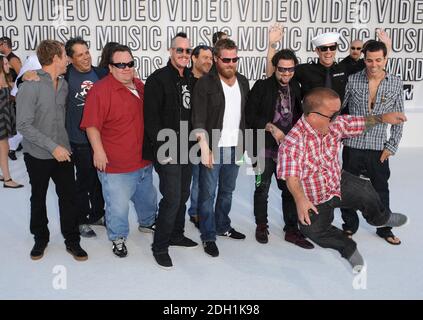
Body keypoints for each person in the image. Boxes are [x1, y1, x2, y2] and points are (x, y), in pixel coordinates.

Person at [277, 87, 408, 271]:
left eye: (338, 112)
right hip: (314, 199)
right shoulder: (293, 142)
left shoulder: (334, 124)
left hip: (337, 182)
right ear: (313, 116)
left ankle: (381, 218)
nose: (337, 117)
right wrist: (300, 199)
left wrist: (384, 118)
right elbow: (291, 176)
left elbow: (358, 122)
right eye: (333, 114)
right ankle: (348, 248)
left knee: (366, 190)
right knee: (311, 230)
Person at [81, 45, 157, 258]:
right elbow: (91, 126)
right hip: (116, 165)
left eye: (130, 64)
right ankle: (118, 237)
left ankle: (147, 223)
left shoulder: (139, 86)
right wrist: (98, 151)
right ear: (110, 67)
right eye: (120, 64)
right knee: (118, 207)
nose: (126, 68)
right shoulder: (100, 90)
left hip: (143, 161)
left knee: (147, 199)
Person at [16, 40, 88, 261]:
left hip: (63, 151)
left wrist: (60, 147)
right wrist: (52, 147)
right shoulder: (31, 85)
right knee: (38, 197)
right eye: (65, 56)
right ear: (56, 58)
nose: (68, 59)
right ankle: (40, 238)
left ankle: (72, 241)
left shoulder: (64, 84)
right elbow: (23, 125)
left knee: (69, 197)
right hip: (38, 153)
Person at [245, 49, 313, 249]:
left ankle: (291, 230)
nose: (286, 74)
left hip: (288, 151)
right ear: (275, 67)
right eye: (282, 69)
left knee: (290, 191)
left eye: (290, 70)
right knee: (262, 188)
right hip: (263, 148)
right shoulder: (261, 86)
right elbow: (249, 116)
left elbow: (300, 116)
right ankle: (261, 225)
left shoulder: (296, 86)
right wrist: (271, 127)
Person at [341, 41, 404, 245]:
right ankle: (349, 225)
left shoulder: (395, 82)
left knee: (380, 189)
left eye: (378, 60)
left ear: (385, 59)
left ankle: (384, 227)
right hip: (353, 145)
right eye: (369, 60)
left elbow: (399, 118)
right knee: (348, 188)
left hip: (379, 148)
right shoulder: (352, 80)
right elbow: (340, 109)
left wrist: (391, 146)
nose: (373, 64)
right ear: (364, 59)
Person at [144, 32, 198, 269]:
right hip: (167, 148)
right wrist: (161, 148)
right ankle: (160, 246)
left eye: (187, 51)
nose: (184, 55)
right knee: (172, 197)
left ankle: (177, 233)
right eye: (180, 50)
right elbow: (151, 118)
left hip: (188, 148)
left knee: (183, 194)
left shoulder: (192, 78)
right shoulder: (157, 79)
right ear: (170, 51)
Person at [192, 38, 250, 257]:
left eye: (235, 59)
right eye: (226, 59)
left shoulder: (243, 82)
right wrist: (205, 148)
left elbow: (244, 116)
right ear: (216, 59)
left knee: (227, 191)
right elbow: (198, 119)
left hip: (236, 147)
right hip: (213, 148)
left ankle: (223, 225)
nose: (231, 63)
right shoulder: (205, 84)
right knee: (207, 194)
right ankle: (208, 235)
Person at [64, 37, 108, 237]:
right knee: (83, 181)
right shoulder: (64, 76)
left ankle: (98, 214)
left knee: (101, 181)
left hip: (102, 139)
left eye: (87, 52)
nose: (85, 57)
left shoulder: (101, 73)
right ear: (71, 59)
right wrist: (25, 76)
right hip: (78, 140)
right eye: (80, 54)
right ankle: (82, 220)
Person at [187, 44, 213, 229]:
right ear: (194, 58)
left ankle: (197, 212)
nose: (208, 61)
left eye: (211, 58)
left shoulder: (213, 80)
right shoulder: (184, 79)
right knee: (189, 180)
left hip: (207, 137)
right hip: (182, 138)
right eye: (204, 57)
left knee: (202, 178)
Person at [0, 54, 23, 188]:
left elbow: (18, 86)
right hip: (1, 119)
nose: (9, 65)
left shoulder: (7, 81)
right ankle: (8, 180)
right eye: (6, 64)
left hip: (6, 117)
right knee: (4, 148)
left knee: (4, 147)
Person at [0, 36, 23, 161]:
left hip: (14, 95)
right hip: (8, 95)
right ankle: (12, 146)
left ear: (4, 44)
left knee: (17, 122)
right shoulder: (5, 59)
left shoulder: (12, 59)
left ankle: (12, 147)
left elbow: (22, 77)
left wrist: (13, 88)